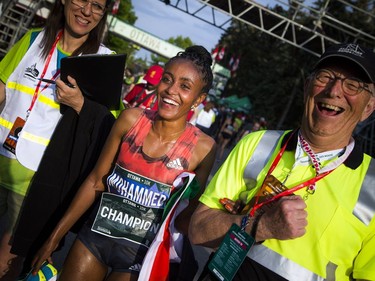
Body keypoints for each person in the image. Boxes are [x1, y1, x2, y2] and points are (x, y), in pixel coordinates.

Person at [189, 43, 375, 281]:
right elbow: (198, 229)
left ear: (368, 107)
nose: (334, 91)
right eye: (325, 76)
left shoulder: (372, 184)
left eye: (352, 84)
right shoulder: (257, 144)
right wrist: (260, 225)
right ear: (307, 86)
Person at [31, 45, 216, 281]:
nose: (171, 90)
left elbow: (184, 219)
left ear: (199, 98)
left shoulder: (204, 148)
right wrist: (53, 238)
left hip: (140, 258)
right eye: (167, 80)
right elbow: (96, 181)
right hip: (94, 238)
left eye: (185, 86)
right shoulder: (130, 119)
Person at [0, 0, 116, 279]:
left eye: (97, 6)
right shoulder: (32, 39)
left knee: (5, 266)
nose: (87, 11)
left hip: (37, 183)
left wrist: (80, 104)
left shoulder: (104, 60)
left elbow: (109, 129)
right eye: (81, 0)